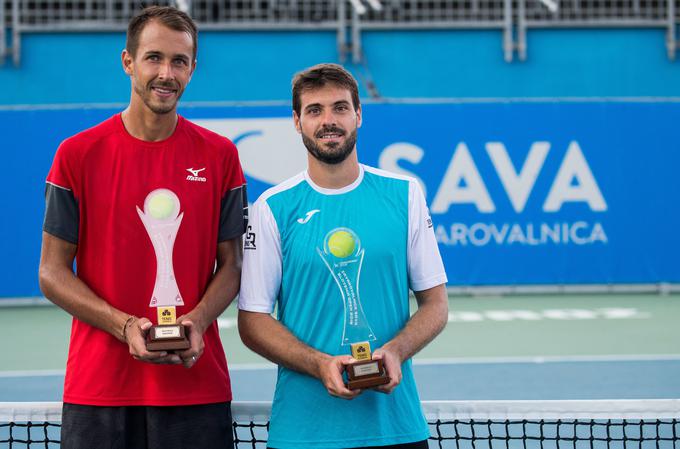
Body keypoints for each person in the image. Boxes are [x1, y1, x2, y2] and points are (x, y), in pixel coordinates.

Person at [38, 6, 247, 449]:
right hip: (99, 392)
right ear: (128, 62)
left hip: (195, 389)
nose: (166, 73)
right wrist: (124, 325)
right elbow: (52, 273)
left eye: (179, 61)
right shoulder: (75, 155)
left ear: (192, 68)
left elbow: (232, 265)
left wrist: (197, 321)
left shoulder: (221, 156)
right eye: (153, 58)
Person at [238, 63, 449, 449]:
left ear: (358, 115)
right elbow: (252, 321)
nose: (328, 120)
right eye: (314, 110)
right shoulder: (271, 208)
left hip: (395, 428)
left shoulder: (405, 194)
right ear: (296, 121)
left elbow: (436, 305)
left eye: (339, 108)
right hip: (303, 433)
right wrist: (320, 365)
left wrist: (395, 352)